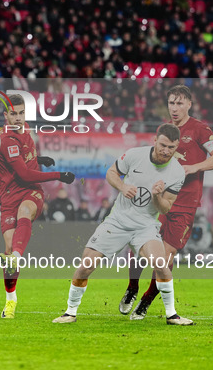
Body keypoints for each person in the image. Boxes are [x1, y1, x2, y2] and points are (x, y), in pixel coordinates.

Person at [53, 124, 193, 326]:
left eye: (171, 147)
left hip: (145, 226)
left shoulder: (177, 173)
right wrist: (122, 186)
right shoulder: (135, 155)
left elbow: (165, 209)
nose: (166, 151)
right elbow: (111, 172)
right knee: (87, 265)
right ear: (155, 141)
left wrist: (157, 196)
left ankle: (172, 315)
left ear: (177, 146)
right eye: (162, 145)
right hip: (117, 222)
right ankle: (69, 312)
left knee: (161, 265)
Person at [119, 84, 213, 320]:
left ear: (189, 104)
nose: (175, 108)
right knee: (138, 247)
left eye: (179, 103)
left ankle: (145, 302)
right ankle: (132, 287)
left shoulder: (199, 129)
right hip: (158, 200)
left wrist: (194, 167)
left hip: (185, 204)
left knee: (164, 259)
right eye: (171, 103)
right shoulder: (164, 129)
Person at [0, 94, 76, 319]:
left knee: (25, 213)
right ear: (5, 115)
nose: (18, 118)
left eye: (21, 113)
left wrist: (39, 158)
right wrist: (59, 174)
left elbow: (26, 164)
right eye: (13, 114)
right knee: (9, 248)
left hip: (31, 191)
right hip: (9, 195)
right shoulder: (6, 140)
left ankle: (17, 256)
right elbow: (23, 173)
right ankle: (11, 299)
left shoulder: (26, 129)